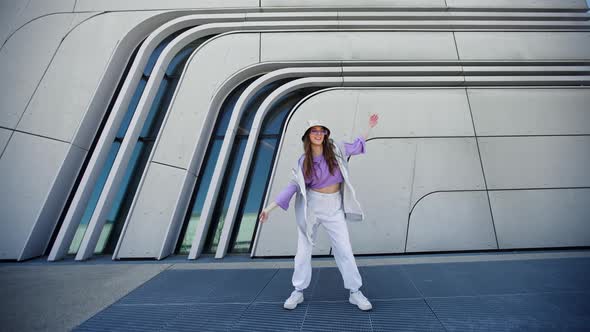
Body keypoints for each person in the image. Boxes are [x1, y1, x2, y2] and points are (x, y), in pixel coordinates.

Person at [259, 113, 379, 311]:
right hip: (312, 207)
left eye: (321, 130)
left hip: (334, 206)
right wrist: (269, 208)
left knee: (345, 250)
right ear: (308, 136)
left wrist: (370, 126)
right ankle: (297, 291)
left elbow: (358, 145)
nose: (318, 134)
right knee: (303, 251)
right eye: (314, 131)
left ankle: (355, 292)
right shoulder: (303, 161)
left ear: (325, 133)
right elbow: (292, 187)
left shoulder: (337, 149)